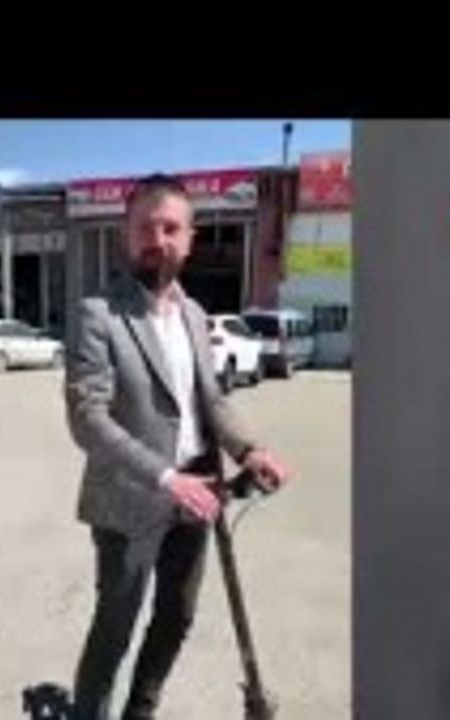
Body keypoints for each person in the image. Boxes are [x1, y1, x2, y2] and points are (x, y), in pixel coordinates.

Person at [64, 173, 292, 720]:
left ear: (190, 239)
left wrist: (249, 451)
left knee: (176, 618)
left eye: (170, 228)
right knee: (114, 629)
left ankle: (140, 711)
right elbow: (87, 419)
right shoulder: (98, 314)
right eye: (145, 227)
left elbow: (210, 399)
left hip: (198, 494)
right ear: (126, 233)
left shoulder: (193, 314)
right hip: (130, 498)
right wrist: (166, 478)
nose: (157, 239)